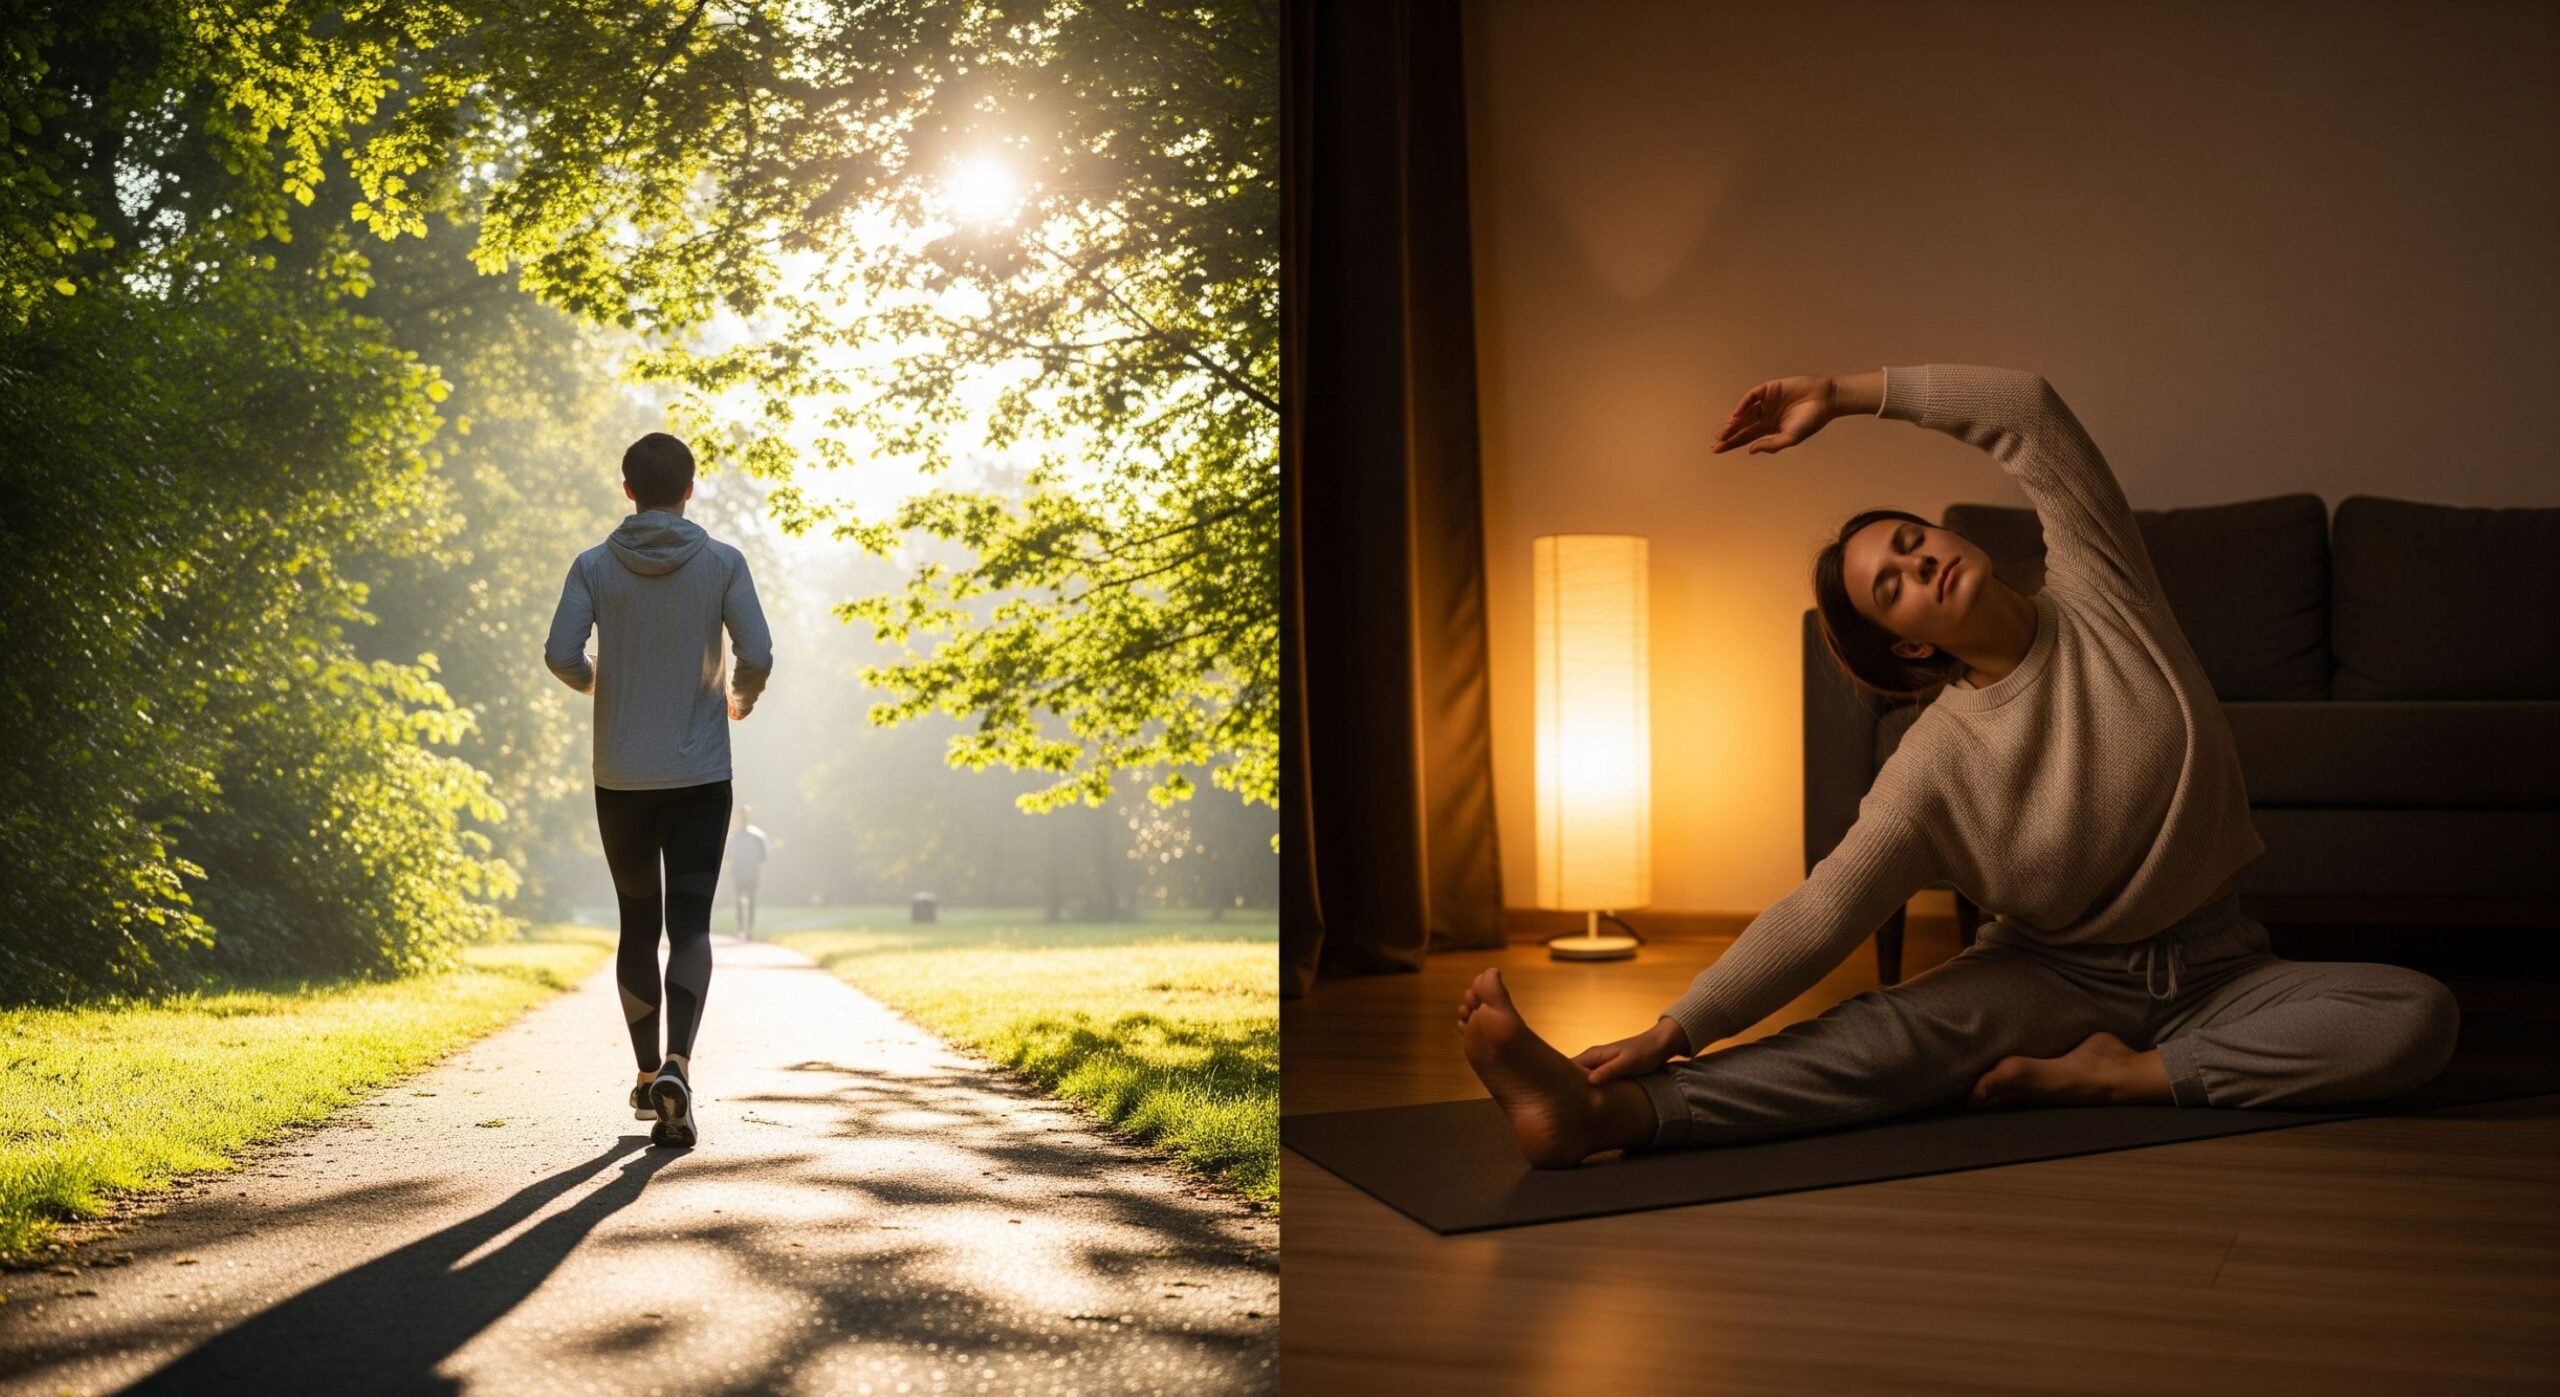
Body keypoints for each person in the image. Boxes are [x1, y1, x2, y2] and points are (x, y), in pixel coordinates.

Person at [1457, 364, 2463, 1169]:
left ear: (1945, 532)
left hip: (2224, 965)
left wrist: (1841, 396)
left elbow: (2026, 410)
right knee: (1877, 1045)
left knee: (2412, 1018)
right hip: (2049, 979)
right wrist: (1675, 1030)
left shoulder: (2106, 591)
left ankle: (2129, 1078)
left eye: (1908, 539)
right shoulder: (1932, 760)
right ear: (1902, 643)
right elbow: (1823, 909)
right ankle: (1599, 1115)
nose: (1914, 561)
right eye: (1888, 585)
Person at [545, 432, 772, 1149]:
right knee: (693, 926)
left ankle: (647, 1074)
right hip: (702, 775)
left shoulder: (592, 567)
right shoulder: (722, 564)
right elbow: (758, 653)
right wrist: (740, 698)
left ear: (627, 490)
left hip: (621, 776)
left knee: (638, 923)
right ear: (691, 488)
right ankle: (680, 1065)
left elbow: (560, 653)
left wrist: (596, 683)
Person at [725, 807, 770, 940]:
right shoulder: (734, 837)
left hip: (751, 873)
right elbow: (728, 856)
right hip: (739, 873)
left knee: (750, 901)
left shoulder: (756, 836)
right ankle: (741, 929)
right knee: (740, 901)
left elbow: (764, 855)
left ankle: (748, 930)